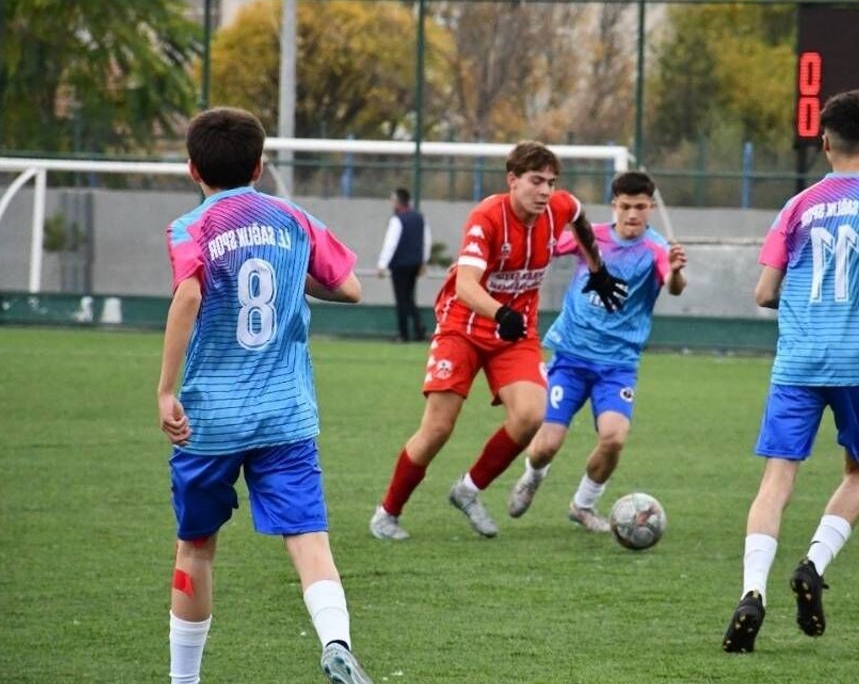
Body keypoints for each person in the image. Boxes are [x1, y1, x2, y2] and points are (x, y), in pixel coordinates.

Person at [158, 107, 373, 684]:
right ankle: (335, 640)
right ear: (260, 165)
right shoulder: (294, 218)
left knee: (196, 547)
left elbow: (187, 297)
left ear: (191, 169)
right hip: (285, 414)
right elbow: (350, 288)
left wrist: (164, 392)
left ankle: (184, 680)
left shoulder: (190, 227)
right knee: (308, 539)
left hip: (211, 421)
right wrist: (293, 267)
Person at [722, 90, 859, 653]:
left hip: (799, 359)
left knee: (777, 478)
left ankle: (752, 593)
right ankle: (812, 565)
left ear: (824, 141)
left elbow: (764, 292)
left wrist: (800, 308)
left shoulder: (795, 206)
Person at [368, 141, 628, 541]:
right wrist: (502, 313)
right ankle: (388, 512)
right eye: (535, 181)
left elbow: (579, 218)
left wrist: (597, 268)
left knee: (531, 414)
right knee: (438, 428)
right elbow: (468, 285)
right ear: (512, 180)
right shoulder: (486, 217)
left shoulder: (559, 207)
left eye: (551, 182)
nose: (545, 191)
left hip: (514, 333)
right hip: (463, 327)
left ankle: (468, 490)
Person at [505, 171, 687, 532]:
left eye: (640, 207)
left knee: (614, 437)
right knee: (546, 445)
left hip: (618, 363)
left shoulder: (657, 249)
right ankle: (532, 477)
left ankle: (583, 504)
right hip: (571, 356)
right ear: (613, 206)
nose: (633, 215)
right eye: (625, 207)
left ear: (650, 206)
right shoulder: (592, 237)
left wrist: (678, 271)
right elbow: (542, 249)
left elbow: (674, 286)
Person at [377, 187, 431, 342]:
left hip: (400, 265)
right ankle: (419, 330)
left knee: (401, 299)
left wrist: (382, 264)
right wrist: (423, 261)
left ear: (397, 201)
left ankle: (403, 333)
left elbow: (391, 243)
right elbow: (426, 240)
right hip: (414, 264)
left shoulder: (397, 219)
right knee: (409, 298)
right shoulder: (420, 217)